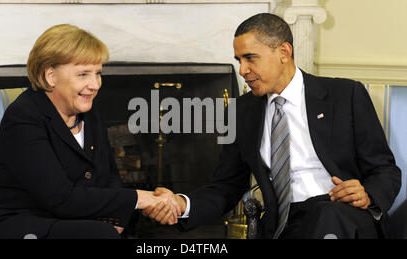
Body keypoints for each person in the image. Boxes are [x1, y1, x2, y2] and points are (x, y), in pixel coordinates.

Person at [145, 13, 401, 239]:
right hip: (284, 223)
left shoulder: (346, 95)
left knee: (327, 217)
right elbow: (227, 186)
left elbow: (384, 170)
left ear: (284, 52)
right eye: (238, 60)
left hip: (342, 214)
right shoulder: (240, 111)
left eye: (250, 58)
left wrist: (367, 194)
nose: (243, 70)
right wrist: (183, 203)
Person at [0, 24, 179, 239]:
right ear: (51, 76)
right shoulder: (24, 117)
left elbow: (110, 180)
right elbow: (60, 198)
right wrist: (143, 199)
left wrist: (115, 217)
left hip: (68, 222)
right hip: (15, 225)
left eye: (98, 73)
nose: (95, 84)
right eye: (83, 74)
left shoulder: (90, 113)